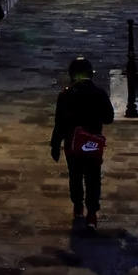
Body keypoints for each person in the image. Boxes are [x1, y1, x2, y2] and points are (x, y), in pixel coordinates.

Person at [49, 56, 115, 228]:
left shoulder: (65, 95)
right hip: (92, 143)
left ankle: (78, 205)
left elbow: (59, 124)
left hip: (73, 143)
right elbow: (109, 118)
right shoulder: (99, 93)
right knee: (93, 178)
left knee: (75, 176)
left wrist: (55, 146)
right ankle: (92, 213)